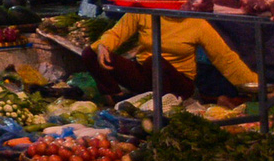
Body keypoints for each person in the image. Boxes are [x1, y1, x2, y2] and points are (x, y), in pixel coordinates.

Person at [87, 12, 258, 100]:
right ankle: (115, 98)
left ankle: (164, 107)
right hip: (147, 76)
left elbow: (225, 58)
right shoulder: (143, 12)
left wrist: (257, 86)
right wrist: (104, 46)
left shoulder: (196, 23)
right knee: (90, 52)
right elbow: (116, 33)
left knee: (155, 62)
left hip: (179, 82)